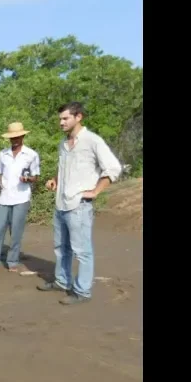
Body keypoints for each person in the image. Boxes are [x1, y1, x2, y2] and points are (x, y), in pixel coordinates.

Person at [38, 102, 122, 305]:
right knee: (61, 247)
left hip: (79, 205)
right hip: (61, 203)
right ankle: (62, 281)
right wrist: (55, 180)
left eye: (65, 118)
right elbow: (64, 168)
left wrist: (95, 191)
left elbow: (113, 168)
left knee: (82, 251)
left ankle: (82, 291)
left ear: (78, 117)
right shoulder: (63, 143)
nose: (61, 122)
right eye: (60, 119)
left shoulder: (93, 141)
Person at [0, 122, 41, 274]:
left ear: (22, 137)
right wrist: (0, 185)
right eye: (12, 137)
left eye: (17, 137)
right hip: (4, 197)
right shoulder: (3, 154)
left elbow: (36, 177)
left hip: (21, 197)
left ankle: (12, 261)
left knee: (16, 231)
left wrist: (28, 179)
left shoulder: (31, 155)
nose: (15, 140)